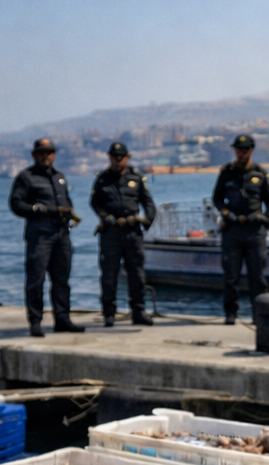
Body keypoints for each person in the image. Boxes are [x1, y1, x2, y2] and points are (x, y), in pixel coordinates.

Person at [9, 138, 82, 336]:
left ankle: (62, 319)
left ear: (54, 154)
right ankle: (35, 322)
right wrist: (38, 209)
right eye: (41, 152)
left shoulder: (59, 177)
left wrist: (70, 213)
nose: (45, 156)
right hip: (40, 236)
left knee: (62, 279)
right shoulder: (26, 177)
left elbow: (65, 199)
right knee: (36, 280)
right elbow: (15, 204)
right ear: (34, 155)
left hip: (61, 235)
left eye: (49, 152)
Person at [90, 142, 158, 327]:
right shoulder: (102, 179)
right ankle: (109, 314)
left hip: (132, 232)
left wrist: (148, 219)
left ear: (127, 157)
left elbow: (148, 202)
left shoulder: (136, 178)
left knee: (137, 274)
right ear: (110, 157)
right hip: (111, 233)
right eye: (115, 157)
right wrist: (105, 217)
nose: (118, 160)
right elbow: (95, 202)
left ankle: (138, 312)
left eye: (121, 157)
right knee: (109, 275)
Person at [212, 133, 269, 324]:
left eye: (245, 150)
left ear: (251, 150)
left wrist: (266, 219)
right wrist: (226, 213)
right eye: (238, 150)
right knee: (231, 275)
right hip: (232, 230)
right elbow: (217, 198)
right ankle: (231, 313)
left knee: (257, 277)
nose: (241, 153)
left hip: (254, 231)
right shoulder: (226, 172)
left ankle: (259, 315)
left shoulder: (260, 174)